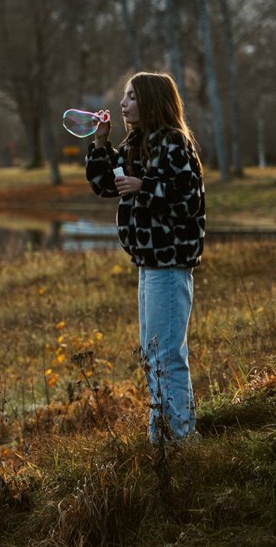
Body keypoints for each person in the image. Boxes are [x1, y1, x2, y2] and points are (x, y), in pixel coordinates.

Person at [85, 71, 206, 444]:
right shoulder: (139, 142)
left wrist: (144, 186)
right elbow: (106, 185)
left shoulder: (174, 143)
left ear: (152, 101)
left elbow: (188, 202)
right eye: (124, 96)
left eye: (131, 96)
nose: (123, 104)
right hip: (148, 264)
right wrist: (101, 144)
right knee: (153, 356)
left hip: (169, 266)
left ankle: (182, 440)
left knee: (167, 356)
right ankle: (163, 439)